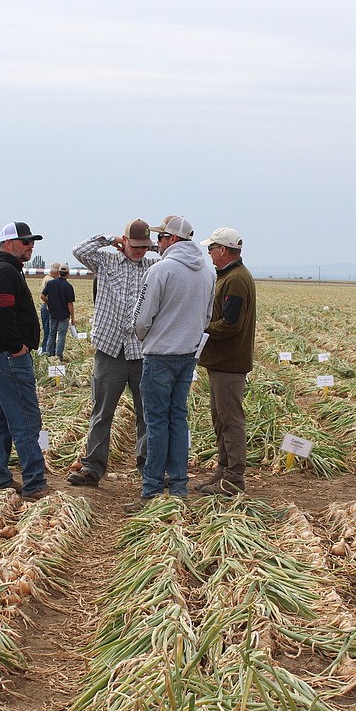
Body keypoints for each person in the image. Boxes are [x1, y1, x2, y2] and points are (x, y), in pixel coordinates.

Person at [129, 215, 215, 512]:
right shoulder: (208, 272)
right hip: (187, 356)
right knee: (178, 419)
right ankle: (178, 486)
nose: (157, 243)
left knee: (156, 422)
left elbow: (142, 318)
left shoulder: (160, 270)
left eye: (162, 238)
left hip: (159, 355)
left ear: (173, 240)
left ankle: (152, 489)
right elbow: (206, 316)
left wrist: (145, 337)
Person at [67, 219, 158, 487]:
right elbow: (79, 251)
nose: (141, 250)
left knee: (147, 414)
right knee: (102, 411)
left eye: (145, 246)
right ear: (125, 241)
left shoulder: (155, 268)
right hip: (110, 349)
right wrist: (108, 239)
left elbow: (177, 260)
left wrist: (156, 249)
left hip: (141, 351)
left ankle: (148, 468)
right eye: (136, 245)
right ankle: (92, 468)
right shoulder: (106, 262)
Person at [0, 221, 50, 500]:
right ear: (8, 244)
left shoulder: (4, 268)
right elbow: (2, 311)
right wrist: (17, 346)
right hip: (7, 356)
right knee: (26, 418)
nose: (31, 246)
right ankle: (34, 482)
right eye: (26, 241)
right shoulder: (6, 271)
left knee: (2, 418)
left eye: (32, 242)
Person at [196, 227, 256, 496]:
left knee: (230, 419)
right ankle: (224, 469)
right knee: (220, 418)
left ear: (223, 249)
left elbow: (231, 323)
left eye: (211, 248)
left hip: (229, 361)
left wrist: (201, 330)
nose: (209, 252)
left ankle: (234, 478)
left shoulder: (235, 279)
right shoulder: (229, 276)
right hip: (221, 361)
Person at [41, 263, 76, 360]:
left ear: (59, 272)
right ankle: (59, 356)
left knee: (51, 334)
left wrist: (48, 303)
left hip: (53, 313)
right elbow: (70, 304)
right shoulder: (68, 286)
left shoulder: (51, 283)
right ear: (67, 273)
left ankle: (49, 354)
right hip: (64, 314)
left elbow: (42, 296)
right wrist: (73, 317)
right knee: (61, 334)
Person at [39, 262, 60, 355]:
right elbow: (47, 295)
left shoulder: (46, 278)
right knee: (50, 331)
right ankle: (47, 351)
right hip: (49, 307)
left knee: (47, 329)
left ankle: (47, 350)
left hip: (45, 306)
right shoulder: (51, 281)